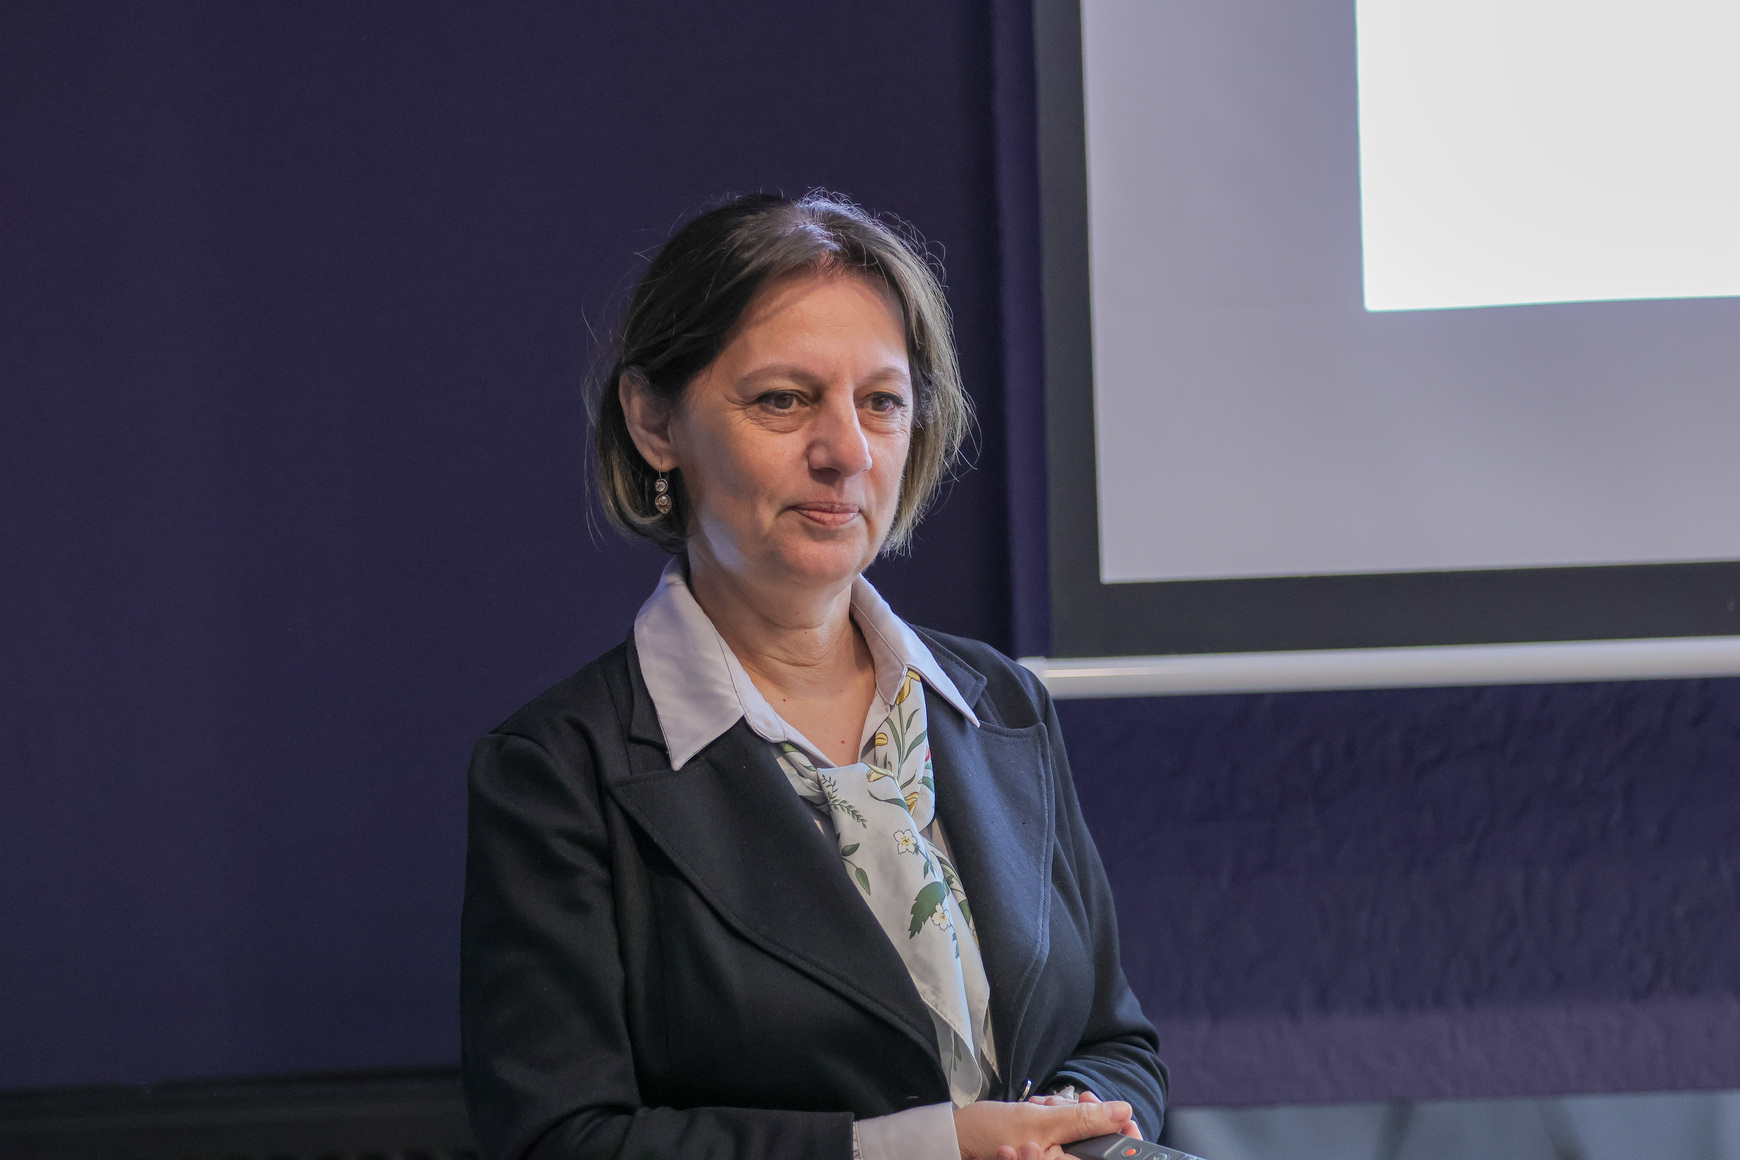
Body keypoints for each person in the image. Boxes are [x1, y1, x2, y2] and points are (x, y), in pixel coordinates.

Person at [460, 192, 1167, 1160]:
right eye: (783, 400)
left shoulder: (1005, 706)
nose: (847, 453)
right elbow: (562, 1141)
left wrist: (1069, 1135)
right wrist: (931, 1148)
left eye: (881, 402)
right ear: (654, 421)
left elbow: (1115, 1044)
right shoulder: (557, 773)